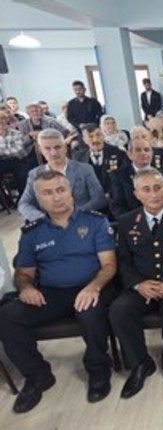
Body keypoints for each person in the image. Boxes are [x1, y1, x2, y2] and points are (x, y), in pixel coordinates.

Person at [0, 170, 116, 413]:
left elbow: (109, 265)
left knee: (89, 314)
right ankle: (37, 376)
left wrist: (93, 287)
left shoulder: (95, 221)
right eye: (48, 193)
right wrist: (26, 287)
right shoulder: (32, 233)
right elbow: (23, 273)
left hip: (92, 286)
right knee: (8, 316)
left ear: (70, 191)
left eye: (61, 190)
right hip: (51, 293)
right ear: (39, 199)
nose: (56, 197)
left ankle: (98, 369)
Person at [109, 167, 163, 398]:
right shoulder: (126, 222)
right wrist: (139, 285)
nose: (154, 194)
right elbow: (123, 262)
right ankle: (140, 363)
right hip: (141, 286)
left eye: (158, 187)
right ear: (137, 194)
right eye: (146, 189)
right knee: (119, 310)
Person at [18, 129, 107, 222]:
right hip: (48, 224)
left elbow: (99, 198)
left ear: (65, 147)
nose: (53, 153)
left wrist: (74, 214)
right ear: (41, 150)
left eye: (57, 147)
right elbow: (24, 204)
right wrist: (41, 218)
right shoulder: (35, 174)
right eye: (47, 148)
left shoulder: (84, 169)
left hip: (81, 221)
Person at [110, 138, 163, 218]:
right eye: (138, 150)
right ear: (129, 154)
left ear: (152, 153)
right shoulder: (118, 176)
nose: (143, 153)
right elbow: (117, 205)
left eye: (147, 150)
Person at [73, 123, 128, 195]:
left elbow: (124, 179)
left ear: (103, 136)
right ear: (85, 140)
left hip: (115, 197)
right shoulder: (78, 158)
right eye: (90, 136)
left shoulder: (118, 153)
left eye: (98, 135)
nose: (95, 140)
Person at [0, 110, 29, 198]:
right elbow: (12, 150)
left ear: (6, 121)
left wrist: (1, 151)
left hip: (18, 160)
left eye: (2, 120)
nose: (0, 123)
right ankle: (4, 199)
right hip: (2, 162)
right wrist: (7, 151)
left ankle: (23, 198)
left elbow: (18, 150)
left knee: (22, 176)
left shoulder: (16, 133)